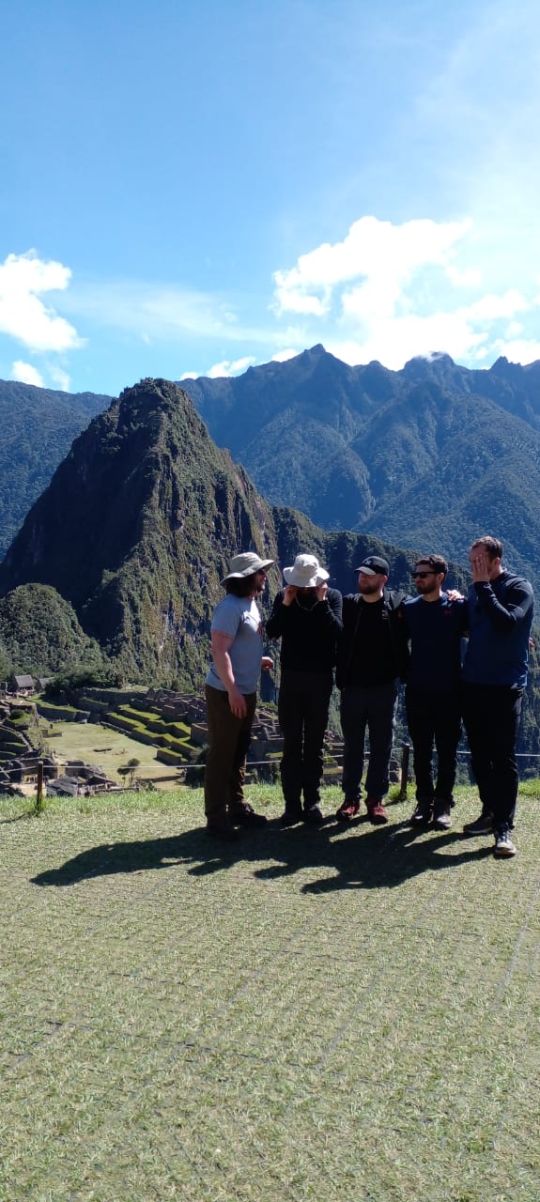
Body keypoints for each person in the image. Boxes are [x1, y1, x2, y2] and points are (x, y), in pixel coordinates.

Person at [461, 535, 534, 858]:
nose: (473, 565)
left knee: (502, 757)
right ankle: (489, 811)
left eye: (478, 560)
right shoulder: (475, 593)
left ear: (494, 559)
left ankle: (504, 827)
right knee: (479, 755)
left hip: (505, 686)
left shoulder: (520, 588)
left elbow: (507, 623)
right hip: (474, 683)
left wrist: (482, 588)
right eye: (471, 560)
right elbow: (470, 627)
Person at [266, 553, 342, 826]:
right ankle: (291, 805)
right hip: (291, 679)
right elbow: (272, 631)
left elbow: (338, 633)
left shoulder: (332, 597)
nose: (305, 588)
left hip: (321, 679)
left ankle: (312, 802)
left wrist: (321, 603)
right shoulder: (284, 597)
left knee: (314, 745)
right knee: (291, 743)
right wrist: (286, 603)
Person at [204, 551, 274, 840]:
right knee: (222, 754)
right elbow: (219, 650)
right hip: (226, 692)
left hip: (246, 691)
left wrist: (257, 661)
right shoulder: (230, 608)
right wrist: (232, 691)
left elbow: (238, 647)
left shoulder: (251, 604)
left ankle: (236, 806)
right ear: (247, 578)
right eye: (260, 573)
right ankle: (216, 818)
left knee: (239, 752)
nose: (265, 576)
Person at [335, 555, 407, 824]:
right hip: (352, 687)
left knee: (381, 745)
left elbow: (428, 609)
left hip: (384, 689)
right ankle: (350, 798)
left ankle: (375, 799)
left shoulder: (397, 607)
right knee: (352, 745)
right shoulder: (349, 605)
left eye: (368, 575)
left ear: (383, 579)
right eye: (360, 574)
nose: (362, 578)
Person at [402, 556, 468, 829]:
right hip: (417, 690)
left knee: (447, 751)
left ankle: (443, 803)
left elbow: (483, 630)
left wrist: (519, 638)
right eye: (415, 574)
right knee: (421, 750)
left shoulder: (457, 607)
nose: (418, 579)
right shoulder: (409, 609)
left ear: (440, 577)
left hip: (450, 691)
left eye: (424, 575)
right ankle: (424, 802)